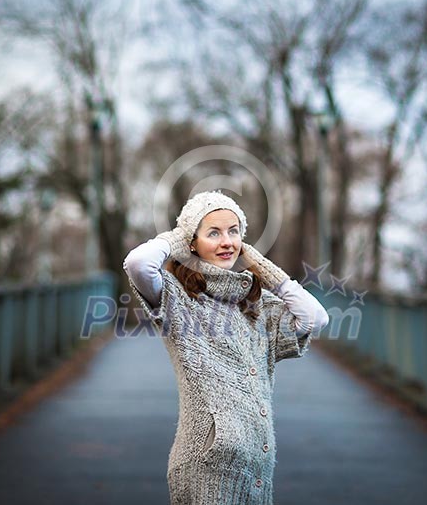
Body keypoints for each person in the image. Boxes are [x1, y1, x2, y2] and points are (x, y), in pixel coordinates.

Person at [123, 190, 329, 505]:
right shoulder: (177, 299)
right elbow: (138, 263)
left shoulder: (257, 303)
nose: (227, 241)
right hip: (207, 463)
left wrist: (264, 268)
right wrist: (178, 238)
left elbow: (314, 318)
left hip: (256, 465)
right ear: (191, 241)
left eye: (234, 232)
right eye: (214, 233)